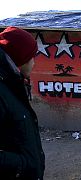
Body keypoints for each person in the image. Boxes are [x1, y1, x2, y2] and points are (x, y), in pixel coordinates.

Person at [0, 26, 45, 179]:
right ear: (20, 57)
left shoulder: (13, 84)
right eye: (32, 56)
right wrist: (21, 165)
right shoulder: (2, 91)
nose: (34, 62)